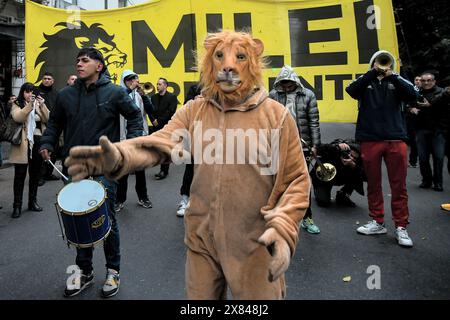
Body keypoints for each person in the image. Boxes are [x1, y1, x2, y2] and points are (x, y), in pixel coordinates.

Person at [64, 30, 310, 299]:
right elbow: (161, 142)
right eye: (219, 56)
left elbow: (295, 181)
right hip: (201, 242)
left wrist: (283, 231)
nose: (228, 65)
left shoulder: (276, 116)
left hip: (256, 245)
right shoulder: (196, 110)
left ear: (252, 62)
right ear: (209, 62)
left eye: (239, 57)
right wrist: (121, 156)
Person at [40, 47, 143, 298]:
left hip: (104, 169)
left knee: (105, 220)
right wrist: (46, 144)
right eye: (77, 60)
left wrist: (128, 146)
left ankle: (112, 270)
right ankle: (84, 272)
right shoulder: (65, 95)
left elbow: (135, 117)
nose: (79, 64)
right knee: (78, 221)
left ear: (99, 66)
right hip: (75, 168)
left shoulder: (116, 92)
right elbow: (54, 124)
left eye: (85, 60)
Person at [345, 50, 417, 247]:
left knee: (398, 185)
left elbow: (414, 94)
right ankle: (377, 221)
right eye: (380, 63)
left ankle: (401, 226)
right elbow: (350, 90)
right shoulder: (364, 81)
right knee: (373, 183)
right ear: (373, 63)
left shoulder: (398, 80)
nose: (384, 65)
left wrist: (393, 75)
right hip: (370, 139)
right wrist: (372, 72)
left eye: (387, 63)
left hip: (396, 139)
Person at [269, 64, 321, 234]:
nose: (286, 86)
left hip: (302, 146)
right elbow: (267, 122)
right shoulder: (273, 96)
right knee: (277, 183)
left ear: (295, 81)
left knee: (303, 185)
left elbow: (313, 122)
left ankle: (307, 218)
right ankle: (278, 218)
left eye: (289, 83)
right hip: (279, 146)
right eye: (283, 83)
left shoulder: (308, 96)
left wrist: (315, 145)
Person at [115, 70, 153, 212]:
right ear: (124, 81)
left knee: (140, 171)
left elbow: (151, 110)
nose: (133, 82)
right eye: (129, 80)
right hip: (124, 138)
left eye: (134, 79)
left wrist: (145, 97)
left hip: (138, 138)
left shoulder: (139, 96)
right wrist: (128, 90)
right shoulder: (119, 95)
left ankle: (143, 197)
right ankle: (119, 200)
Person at [10, 82, 49, 218]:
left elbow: (48, 118)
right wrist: (29, 106)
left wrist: (42, 105)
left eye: (32, 91)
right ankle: (17, 206)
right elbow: (18, 117)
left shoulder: (38, 104)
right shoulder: (16, 104)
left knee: (35, 175)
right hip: (22, 144)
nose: (30, 94)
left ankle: (32, 202)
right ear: (22, 93)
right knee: (19, 176)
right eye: (27, 91)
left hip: (37, 143)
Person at [414, 72, 449, 191]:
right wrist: (411, 108)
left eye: (429, 80)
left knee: (438, 157)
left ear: (434, 81)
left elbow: (441, 100)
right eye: (423, 80)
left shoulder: (442, 92)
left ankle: (438, 183)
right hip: (421, 130)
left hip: (438, 131)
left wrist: (430, 105)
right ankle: (426, 180)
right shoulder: (416, 92)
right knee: (423, 158)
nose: (426, 82)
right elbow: (408, 104)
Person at [311, 139, 365, 207]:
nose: (351, 158)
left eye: (354, 158)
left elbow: (366, 176)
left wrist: (353, 166)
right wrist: (336, 146)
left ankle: (343, 194)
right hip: (324, 177)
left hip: (340, 177)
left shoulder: (359, 161)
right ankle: (319, 190)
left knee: (357, 173)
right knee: (323, 202)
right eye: (350, 155)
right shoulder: (337, 149)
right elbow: (319, 149)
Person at [176, 82, 201, 217]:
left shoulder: (222, 88)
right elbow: (186, 106)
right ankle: (185, 200)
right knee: (190, 167)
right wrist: (196, 99)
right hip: (195, 134)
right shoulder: (195, 88)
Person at [150, 77, 178, 180]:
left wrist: (159, 121)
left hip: (166, 127)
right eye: (157, 84)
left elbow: (170, 112)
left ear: (166, 86)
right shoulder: (153, 97)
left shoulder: (172, 97)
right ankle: (162, 169)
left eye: (160, 84)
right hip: (156, 126)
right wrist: (153, 120)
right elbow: (150, 110)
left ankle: (164, 171)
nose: (157, 86)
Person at [35, 72, 59, 183]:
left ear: (53, 81)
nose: (46, 80)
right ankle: (40, 176)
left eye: (49, 79)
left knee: (54, 152)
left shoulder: (56, 93)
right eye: (44, 78)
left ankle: (48, 173)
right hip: (41, 127)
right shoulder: (37, 92)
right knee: (43, 151)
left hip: (54, 125)